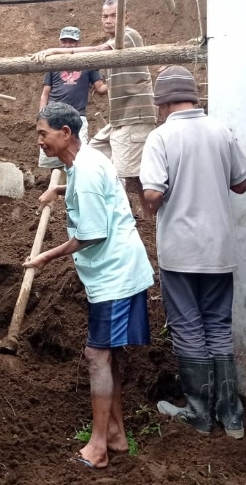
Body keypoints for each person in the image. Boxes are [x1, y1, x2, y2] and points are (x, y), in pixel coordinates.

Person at [24, 102, 154, 469]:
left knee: (97, 356)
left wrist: (45, 257)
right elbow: (92, 191)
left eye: (43, 133)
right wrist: (59, 190)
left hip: (115, 274)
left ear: (66, 134)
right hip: (112, 273)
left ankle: (98, 447)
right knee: (105, 354)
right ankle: (115, 435)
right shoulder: (84, 165)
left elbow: (92, 235)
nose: (40, 141)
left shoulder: (89, 169)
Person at [139, 66, 246, 439]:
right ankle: (231, 415)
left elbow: (153, 193)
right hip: (219, 248)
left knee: (188, 326)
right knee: (218, 325)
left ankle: (199, 413)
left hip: (182, 250)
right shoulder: (222, 131)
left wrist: (145, 201)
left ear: (163, 102)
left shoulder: (161, 136)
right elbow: (241, 184)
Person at [35, 0, 156, 216]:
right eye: (105, 16)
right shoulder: (113, 47)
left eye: (114, 16)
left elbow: (97, 52)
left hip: (133, 117)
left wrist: (54, 50)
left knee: (124, 175)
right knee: (88, 157)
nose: (109, 20)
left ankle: (129, 218)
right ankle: (142, 213)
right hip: (119, 120)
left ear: (125, 17)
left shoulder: (128, 35)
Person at [37, 26, 107, 169]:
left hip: (77, 118)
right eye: (65, 41)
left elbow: (100, 88)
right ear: (60, 42)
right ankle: (57, 190)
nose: (67, 45)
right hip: (52, 118)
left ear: (78, 43)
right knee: (53, 158)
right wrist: (41, 118)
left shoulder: (87, 63)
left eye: (72, 42)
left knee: (78, 159)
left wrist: (116, 80)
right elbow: (45, 93)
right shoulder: (53, 63)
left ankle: (75, 189)